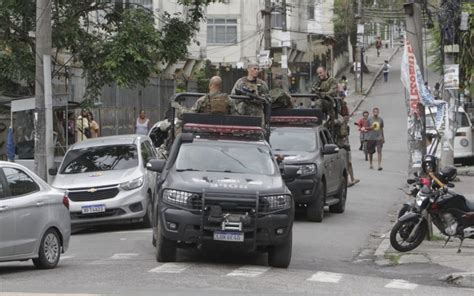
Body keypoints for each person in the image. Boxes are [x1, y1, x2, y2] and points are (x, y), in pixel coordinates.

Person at [335, 114, 360, 187]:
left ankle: (352, 179)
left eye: (348, 117)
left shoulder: (347, 126)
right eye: (345, 117)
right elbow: (341, 135)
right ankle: (347, 181)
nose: (347, 118)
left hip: (347, 146)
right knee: (345, 164)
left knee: (349, 163)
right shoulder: (339, 125)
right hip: (342, 147)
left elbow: (346, 136)